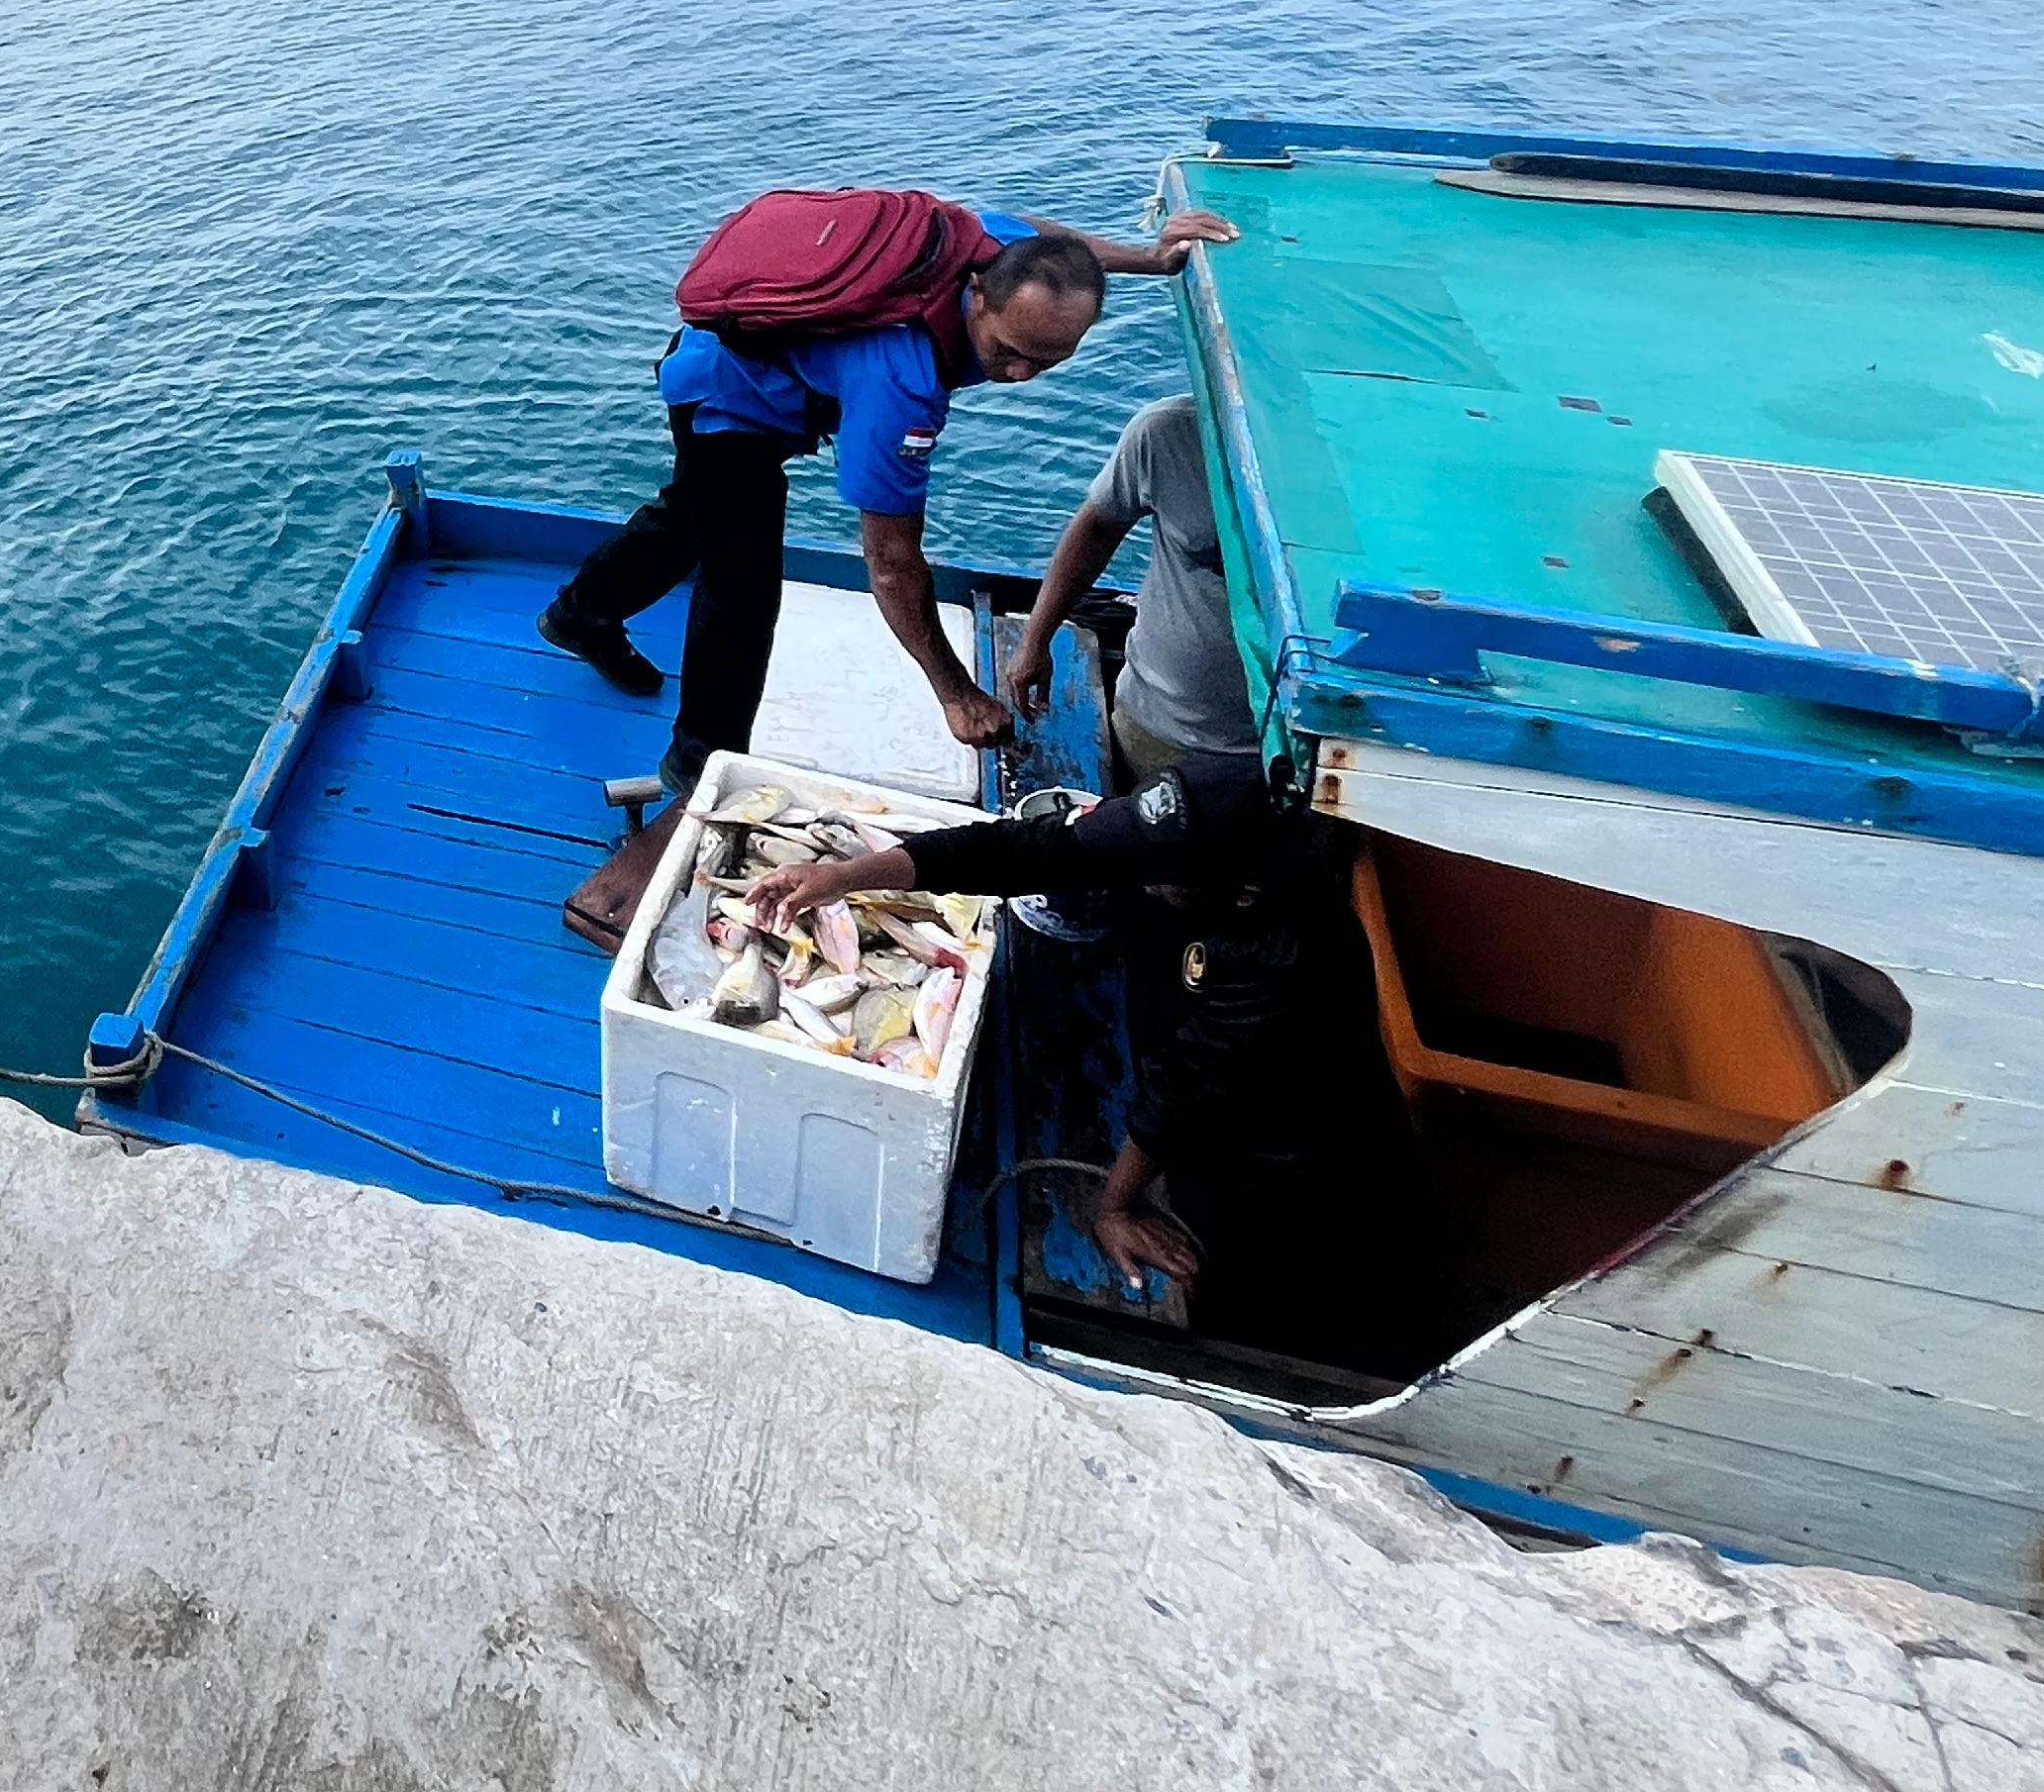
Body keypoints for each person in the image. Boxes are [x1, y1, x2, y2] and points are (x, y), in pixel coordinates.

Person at [545, 197, 1235, 946]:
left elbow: (1052, 245)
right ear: (976, 294)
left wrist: (1148, 256)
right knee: (741, 591)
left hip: (758, 364)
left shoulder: (996, 247)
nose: (1016, 374)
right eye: (1004, 350)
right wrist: (957, 694)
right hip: (728, 395)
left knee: (693, 514)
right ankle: (696, 768)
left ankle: (578, 614)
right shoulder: (901, 384)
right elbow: (893, 562)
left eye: (1046, 361)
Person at [741, 752, 1427, 1375]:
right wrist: (842, 877)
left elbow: (1183, 1091)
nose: (1144, 881)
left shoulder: (1279, 958)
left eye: (1166, 881)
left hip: (1299, 1156)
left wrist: (1116, 1205)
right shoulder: (1187, 820)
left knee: (1280, 1298)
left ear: (1233, 890)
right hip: (1206, 1053)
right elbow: (1017, 848)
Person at [999, 392, 1259, 785]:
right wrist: (1036, 639)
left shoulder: (1357, 464)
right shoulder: (1167, 431)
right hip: (1156, 724)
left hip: (1289, 748)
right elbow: (1096, 529)